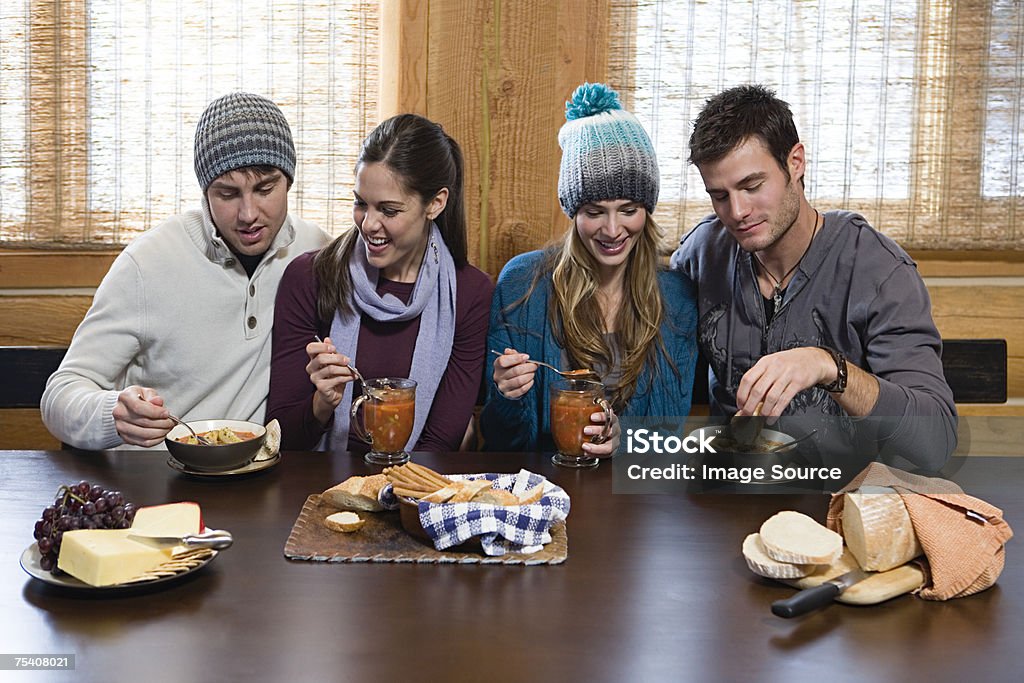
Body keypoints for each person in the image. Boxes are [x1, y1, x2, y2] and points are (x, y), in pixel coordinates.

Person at [670, 84, 957, 470]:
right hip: (730, 499)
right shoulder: (702, 256)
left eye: (752, 186)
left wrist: (829, 367)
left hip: (841, 500)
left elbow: (935, 440)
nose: (737, 212)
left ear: (796, 162)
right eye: (719, 196)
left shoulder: (880, 271)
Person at [40, 92, 330, 450]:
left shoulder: (317, 253)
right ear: (205, 192)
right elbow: (60, 396)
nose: (248, 214)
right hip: (156, 480)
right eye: (227, 194)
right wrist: (112, 413)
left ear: (289, 181)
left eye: (265, 189)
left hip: (259, 483)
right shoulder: (147, 263)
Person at [481, 82, 698, 456]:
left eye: (628, 210)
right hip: (542, 486)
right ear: (573, 211)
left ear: (647, 209)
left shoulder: (676, 298)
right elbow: (504, 443)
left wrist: (626, 440)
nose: (612, 230)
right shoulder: (522, 286)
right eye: (594, 212)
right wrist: (506, 395)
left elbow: (668, 438)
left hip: (635, 496)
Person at [267, 113, 494, 453]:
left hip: (413, 490)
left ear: (435, 203)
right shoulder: (309, 278)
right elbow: (281, 437)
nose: (368, 224)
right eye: (361, 203)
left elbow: (441, 441)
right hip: (317, 490)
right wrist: (322, 404)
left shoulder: (470, 294)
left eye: (389, 210)